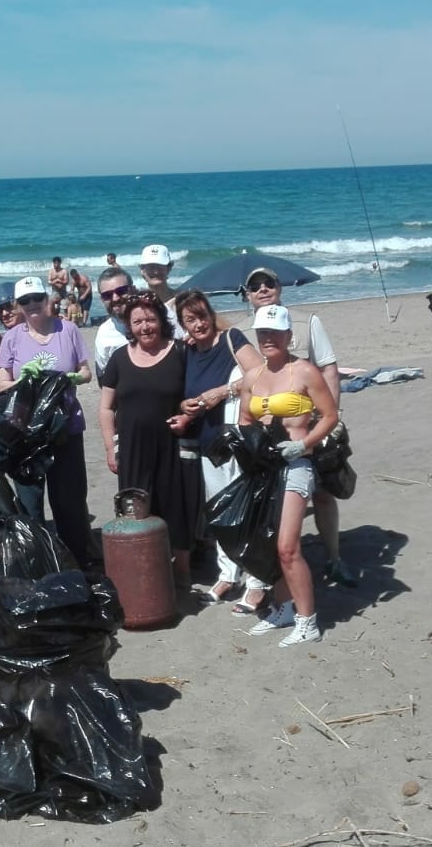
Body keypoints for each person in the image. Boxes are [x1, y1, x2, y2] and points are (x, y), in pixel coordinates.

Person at [233, 267, 356, 587]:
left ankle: (334, 558)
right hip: (269, 437)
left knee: (325, 494)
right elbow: (243, 383)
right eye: (254, 285)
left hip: (311, 426)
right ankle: (277, 572)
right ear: (246, 294)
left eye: (268, 283)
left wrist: (333, 417)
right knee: (270, 505)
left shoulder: (307, 321)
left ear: (279, 287)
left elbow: (328, 368)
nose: (262, 289)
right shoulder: (241, 331)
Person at [236, 305, 339, 646]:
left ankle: (307, 621)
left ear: (287, 336)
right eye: (262, 334)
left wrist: (304, 444)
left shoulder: (305, 371)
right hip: (264, 469)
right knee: (267, 542)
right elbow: (245, 422)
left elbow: (329, 416)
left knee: (287, 547)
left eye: (273, 333)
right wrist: (249, 448)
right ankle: (282, 607)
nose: (267, 339)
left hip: (296, 465)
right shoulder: (252, 377)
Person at [98, 291, 199, 584]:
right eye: (138, 321)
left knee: (175, 508)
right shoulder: (119, 358)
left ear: (161, 320)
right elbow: (106, 407)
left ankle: (181, 571)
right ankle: (147, 569)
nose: (145, 327)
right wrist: (109, 446)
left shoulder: (181, 352)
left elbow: (198, 394)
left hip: (171, 445)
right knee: (136, 509)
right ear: (129, 326)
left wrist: (189, 418)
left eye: (150, 319)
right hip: (132, 449)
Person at [172, 289, 265, 606]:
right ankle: (227, 576)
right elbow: (185, 395)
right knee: (221, 515)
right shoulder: (188, 353)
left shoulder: (231, 339)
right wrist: (187, 406)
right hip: (208, 445)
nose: (198, 324)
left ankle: (256, 580)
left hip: (239, 440)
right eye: (190, 320)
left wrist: (221, 392)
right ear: (183, 325)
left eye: (201, 316)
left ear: (210, 313)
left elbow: (259, 373)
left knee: (246, 512)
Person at [0, 276, 94, 565]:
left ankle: (77, 561)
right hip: (27, 435)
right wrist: (21, 379)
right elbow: (1, 384)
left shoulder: (69, 330)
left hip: (66, 429)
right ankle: (39, 564)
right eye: (24, 301)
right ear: (18, 306)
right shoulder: (11, 338)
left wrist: (74, 378)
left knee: (69, 502)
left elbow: (86, 371)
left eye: (36, 298)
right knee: (30, 503)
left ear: (47, 298)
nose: (32, 304)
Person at [92, 267, 135, 378]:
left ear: (133, 290)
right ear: (102, 299)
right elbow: (104, 379)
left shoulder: (155, 320)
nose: (115, 298)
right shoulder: (104, 334)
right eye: (107, 295)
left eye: (121, 291)